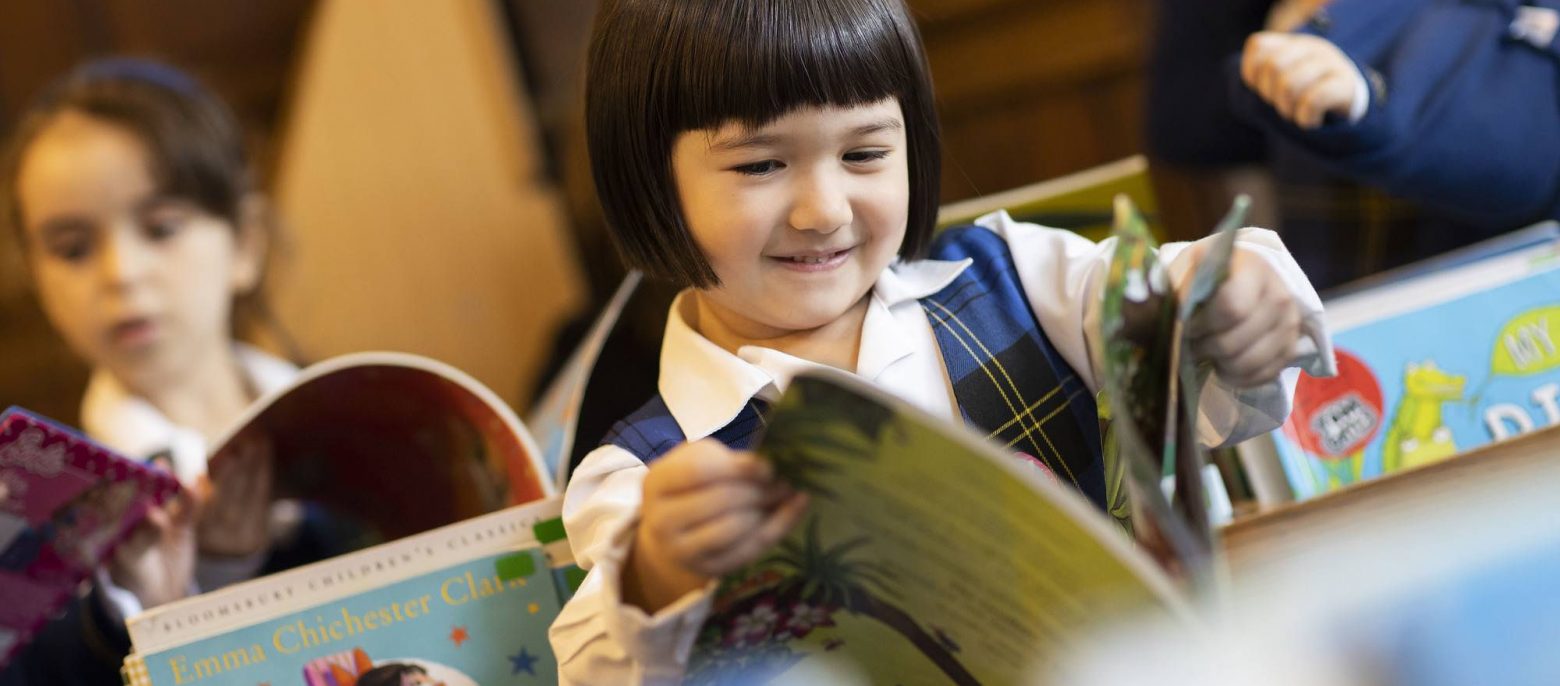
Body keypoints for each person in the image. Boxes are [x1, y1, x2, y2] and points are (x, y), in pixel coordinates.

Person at [547, 0, 1337, 682]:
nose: (823, 209)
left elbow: (1163, 302)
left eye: (863, 154)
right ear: (649, 181)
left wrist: (1230, 300)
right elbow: (594, 667)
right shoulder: (641, 471)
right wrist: (654, 574)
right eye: (760, 165)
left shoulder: (1015, 274)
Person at [0, 58, 293, 683]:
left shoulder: (361, 408)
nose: (120, 273)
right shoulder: (38, 514)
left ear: (245, 243)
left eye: (161, 228)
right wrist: (154, 614)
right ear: (36, 276)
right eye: (72, 247)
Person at [1233, 0, 1560, 233]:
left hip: (1493, 292)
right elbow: (1203, 132)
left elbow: (1525, 159)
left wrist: (1364, 96)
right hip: (1337, 273)